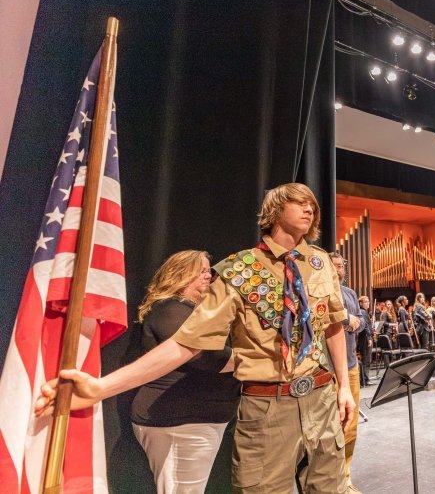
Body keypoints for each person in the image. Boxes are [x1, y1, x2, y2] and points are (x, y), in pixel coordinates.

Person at [36, 183, 354, 493]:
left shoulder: (320, 262)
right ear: (274, 211)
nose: (309, 207)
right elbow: (184, 345)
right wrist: (100, 388)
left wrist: (343, 387)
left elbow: (334, 325)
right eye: (298, 201)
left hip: (321, 397)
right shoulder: (238, 271)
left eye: (311, 202)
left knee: (331, 487)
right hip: (267, 406)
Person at [130, 250, 240, 494]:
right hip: (179, 423)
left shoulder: (190, 311)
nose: (209, 276)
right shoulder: (170, 308)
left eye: (209, 271)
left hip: (191, 421)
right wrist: (255, 359)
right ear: (179, 274)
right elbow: (204, 355)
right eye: (201, 271)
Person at [330, 252, 366, 494]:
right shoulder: (321, 291)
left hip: (351, 366)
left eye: (340, 266)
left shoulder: (351, 293)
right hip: (327, 370)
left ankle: (345, 476)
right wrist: (346, 320)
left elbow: (363, 319)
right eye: (333, 266)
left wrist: (356, 322)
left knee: (350, 426)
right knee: (329, 428)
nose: (337, 270)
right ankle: (330, 480)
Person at [356, 295, 373, 386]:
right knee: (366, 359)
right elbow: (365, 326)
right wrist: (369, 338)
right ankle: (365, 380)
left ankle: (365, 379)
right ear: (360, 303)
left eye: (368, 301)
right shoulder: (362, 312)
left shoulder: (363, 312)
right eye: (366, 302)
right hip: (365, 338)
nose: (368, 303)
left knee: (366, 359)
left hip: (364, 338)